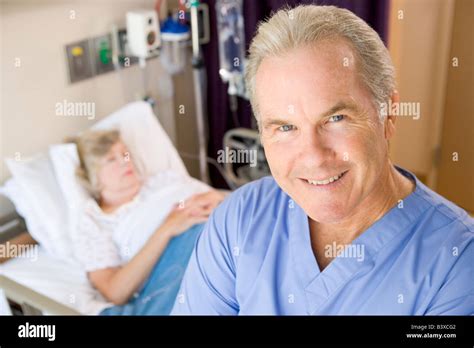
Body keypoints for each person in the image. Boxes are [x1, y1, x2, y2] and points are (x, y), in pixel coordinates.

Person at [172, 5, 473, 315]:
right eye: (286, 127)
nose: (314, 157)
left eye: (336, 118)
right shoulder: (238, 221)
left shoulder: (458, 264)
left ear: (389, 112)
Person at [71, 129, 226, 314]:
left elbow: (222, 200)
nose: (125, 161)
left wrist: (216, 197)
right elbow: (115, 292)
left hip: (221, 229)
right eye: (111, 159)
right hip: (182, 255)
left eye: (125, 154)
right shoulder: (96, 220)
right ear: (92, 175)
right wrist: (167, 228)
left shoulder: (164, 180)